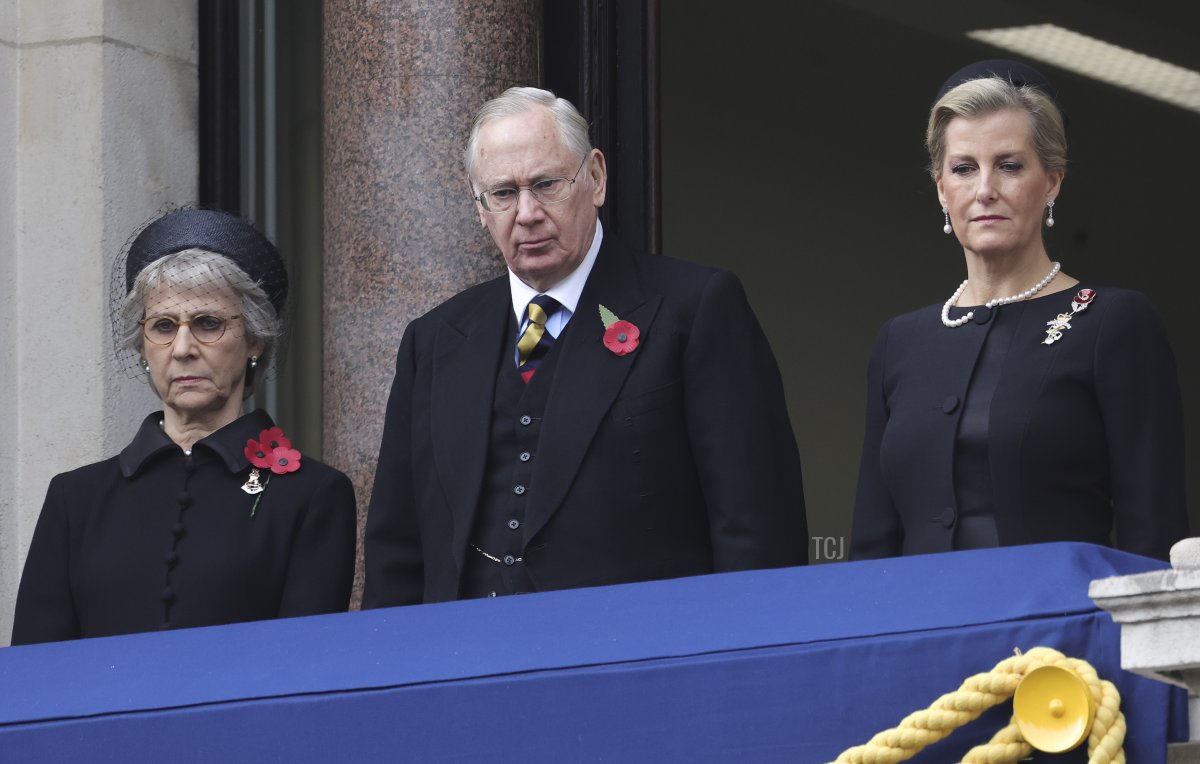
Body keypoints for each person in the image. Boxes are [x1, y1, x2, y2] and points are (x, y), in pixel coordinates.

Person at [363, 87, 807, 605]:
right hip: (468, 664)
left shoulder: (697, 309)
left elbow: (754, 529)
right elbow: (397, 549)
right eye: (503, 193)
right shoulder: (434, 340)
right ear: (479, 205)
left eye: (546, 184)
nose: (526, 213)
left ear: (595, 178)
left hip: (637, 659)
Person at [851, 60, 1189, 561]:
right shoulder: (899, 342)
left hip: (1057, 631)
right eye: (964, 168)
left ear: (1052, 181)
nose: (985, 189)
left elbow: (1154, 531)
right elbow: (872, 542)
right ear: (942, 189)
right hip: (922, 626)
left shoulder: (1112, 321)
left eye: (1009, 165)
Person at [11, 209, 356, 644]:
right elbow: (37, 675)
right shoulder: (75, 499)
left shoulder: (313, 495)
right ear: (143, 347)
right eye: (163, 326)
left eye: (208, 323)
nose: (182, 348)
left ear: (254, 339)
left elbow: (303, 667)